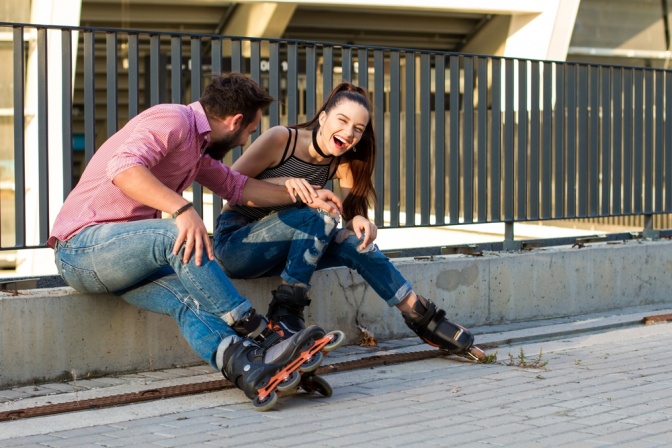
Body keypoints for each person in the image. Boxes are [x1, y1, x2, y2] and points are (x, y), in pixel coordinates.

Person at [48, 73, 345, 406]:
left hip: (125, 259)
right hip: (81, 249)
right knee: (178, 232)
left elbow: (239, 188)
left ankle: (248, 367)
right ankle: (260, 332)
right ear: (234, 121)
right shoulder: (172, 119)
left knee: (189, 299)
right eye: (249, 131)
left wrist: (305, 197)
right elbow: (123, 167)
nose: (246, 141)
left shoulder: (197, 149)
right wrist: (182, 209)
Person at [212, 82, 484, 360]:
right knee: (320, 213)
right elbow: (228, 187)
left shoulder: (341, 162)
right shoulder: (282, 139)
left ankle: (422, 317)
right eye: (342, 121)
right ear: (323, 118)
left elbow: (350, 214)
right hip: (237, 243)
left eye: (358, 128)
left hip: (287, 249)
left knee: (355, 243)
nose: (349, 133)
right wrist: (286, 184)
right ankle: (285, 315)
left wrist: (359, 221)